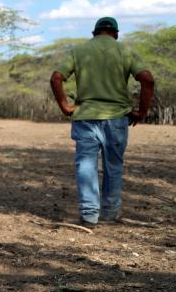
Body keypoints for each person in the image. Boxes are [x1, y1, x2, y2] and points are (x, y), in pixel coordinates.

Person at [49, 16, 155, 228]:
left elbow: (56, 78)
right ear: (116, 34)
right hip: (116, 118)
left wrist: (65, 106)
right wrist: (142, 111)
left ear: (94, 33)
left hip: (86, 117)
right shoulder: (125, 51)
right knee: (113, 166)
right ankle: (110, 212)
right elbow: (147, 79)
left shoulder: (78, 51)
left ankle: (89, 215)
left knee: (86, 165)